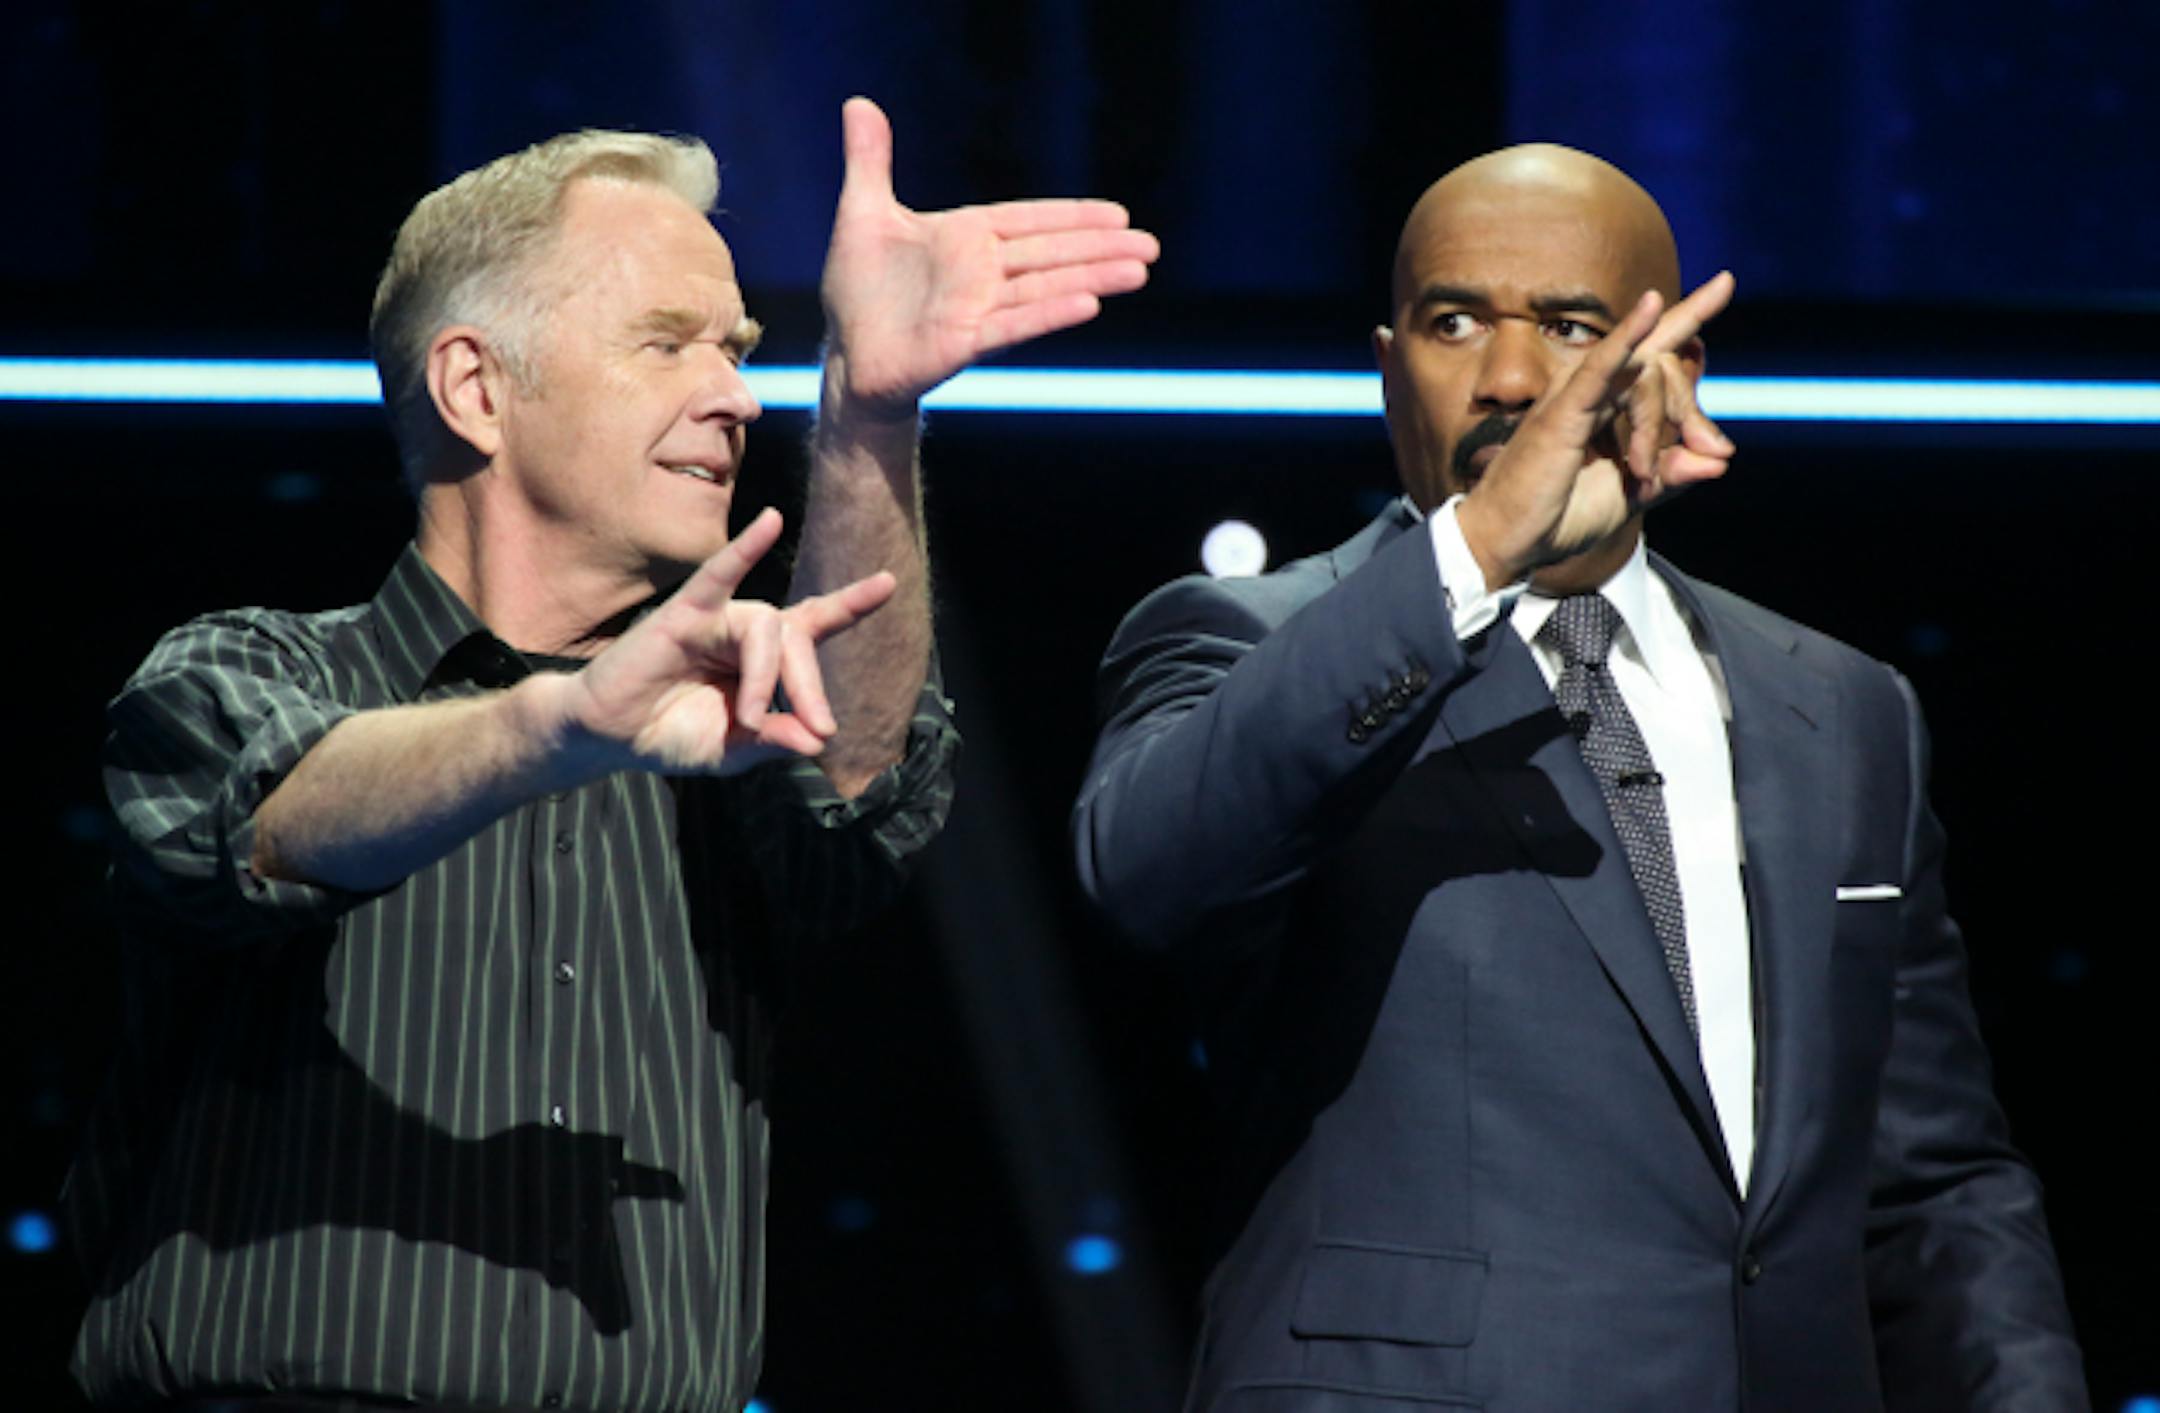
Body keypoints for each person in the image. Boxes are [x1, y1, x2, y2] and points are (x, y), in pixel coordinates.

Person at [70, 98, 1157, 1411]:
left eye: (741, 348)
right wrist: (557, 720)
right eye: (667, 344)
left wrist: (867, 415)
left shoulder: (719, 718)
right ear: (477, 387)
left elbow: (859, 788)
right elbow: (272, 820)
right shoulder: (245, 671)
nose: (734, 395)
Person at [1073, 144, 2085, 1410]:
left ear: (1676, 370)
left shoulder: (1843, 706)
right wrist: (1480, 547)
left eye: (1571, 328)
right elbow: (1150, 866)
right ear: (1389, 372)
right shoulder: (1253, 640)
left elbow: (1933, 1180)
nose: (1508, 379)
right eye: (1453, 324)